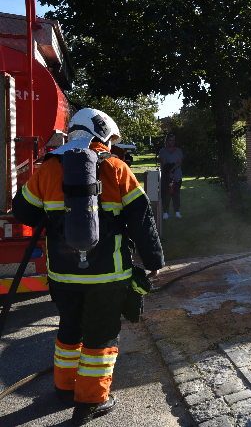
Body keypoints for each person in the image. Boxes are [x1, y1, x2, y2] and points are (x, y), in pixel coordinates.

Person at [12, 108, 164, 424]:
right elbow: (143, 220)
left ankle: (65, 387)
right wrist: (154, 262)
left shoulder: (48, 170)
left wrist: (54, 217)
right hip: (108, 277)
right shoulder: (117, 169)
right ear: (103, 135)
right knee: (101, 336)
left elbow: (23, 212)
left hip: (62, 277)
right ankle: (92, 400)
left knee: (69, 329)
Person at [158, 133, 184, 219]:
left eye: (173, 140)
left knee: (176, 194)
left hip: (177, 176)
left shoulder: (178, 151)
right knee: (166, 195)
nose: (172, 142)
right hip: (166, 176)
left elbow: (179, 162)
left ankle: (177, 212)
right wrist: (168, 171)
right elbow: (163, 163)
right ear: (167, 140)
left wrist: (172, 170)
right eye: (170, 140)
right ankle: (165, 212)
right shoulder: (162, 151)